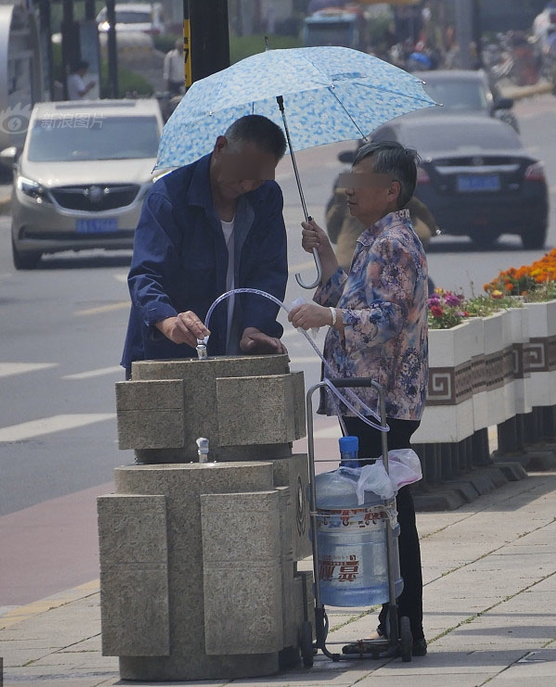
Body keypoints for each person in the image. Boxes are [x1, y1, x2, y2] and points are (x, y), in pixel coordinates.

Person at [288, 141, 430, 657]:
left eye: (361, 179)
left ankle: (404, 623)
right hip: (364, 401)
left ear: (391, 190)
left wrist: (329, 318)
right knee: (385, 505)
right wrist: (325, 253)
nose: (349, 188)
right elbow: (351, 294)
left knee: (389, 509)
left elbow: (386, 318)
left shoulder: (394, 242)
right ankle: (400, 622)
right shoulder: (377, 238)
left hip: (381, 401)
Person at [121, 115, 289, 378]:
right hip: (170, 354)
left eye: (257, 179)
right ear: (220, 147)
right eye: (241, 174)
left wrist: (255, 327)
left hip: (238, 354)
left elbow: (269, 271)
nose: (246, 185)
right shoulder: (168, 198)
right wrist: (168, 322)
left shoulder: (267, 196)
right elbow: (146, 275)